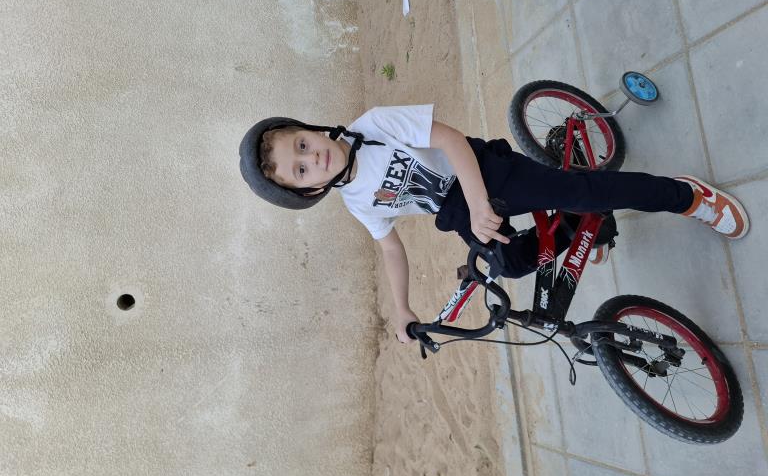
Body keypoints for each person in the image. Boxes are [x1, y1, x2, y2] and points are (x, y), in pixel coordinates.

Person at [239, 104, 749, 343]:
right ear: (310, 191)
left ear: (309, 128)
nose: (312, 157)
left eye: (301, 144)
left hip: (481, 170)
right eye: (300, 170)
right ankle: (581, 226)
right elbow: (391, 249)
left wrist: (481, 200)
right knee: (512, 264)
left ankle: (685, 196)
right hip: (459, 211)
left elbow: (451, 139)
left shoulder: (374, 126)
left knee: (583, 191)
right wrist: (401, 309)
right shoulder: (357, 202)